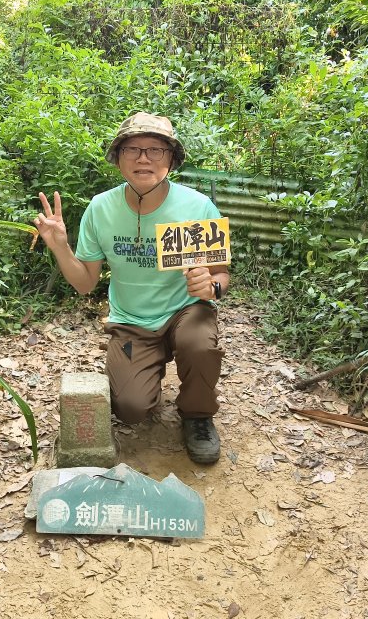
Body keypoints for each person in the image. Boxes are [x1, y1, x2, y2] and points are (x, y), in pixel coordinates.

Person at [34, 112, 229, 464]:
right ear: (118, 158)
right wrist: (61, 246)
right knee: (131, 408)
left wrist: (211, 286)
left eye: (156, 150)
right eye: (133, 149)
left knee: (198, 343)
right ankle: (145, 371)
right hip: (131, 320)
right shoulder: (100, 208)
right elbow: (85, 283)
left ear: (171, 158)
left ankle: (198, 414)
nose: (144, 158)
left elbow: (221, 275)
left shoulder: (196, 207)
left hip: (185, 311)